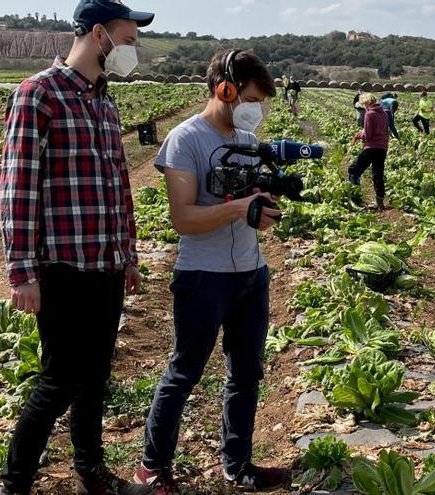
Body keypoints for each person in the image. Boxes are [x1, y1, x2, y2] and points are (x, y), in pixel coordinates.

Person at [0, 1, 153, 494]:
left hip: (105, 264)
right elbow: (18, 187)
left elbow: (117, 184)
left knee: (96, 376)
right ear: (101, 34)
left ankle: (92, 471)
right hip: (61, 264)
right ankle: (14, 481)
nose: (132, 49)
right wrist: (22, 272)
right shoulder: (39, 94)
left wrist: (127, 253)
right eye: (129, 40)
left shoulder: (105, 101)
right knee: (59, 379)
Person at [134, 49, 287, 494]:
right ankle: (152, 466)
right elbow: (183, 218)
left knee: (246, 374)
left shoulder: (244, 139)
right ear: (225, 88)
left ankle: (237, 464)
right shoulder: (186, 140)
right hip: (204, 275)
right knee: (184, 372)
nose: (255, 109)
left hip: (251, 273)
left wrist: (262, 209)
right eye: (251, 98)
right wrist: (240, 208)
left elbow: (246, 202)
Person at [348, 93, 389, 211]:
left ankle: (356, 199)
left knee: (353, 170)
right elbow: (386, 131)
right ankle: (380, 204)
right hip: (382, 148)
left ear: (366, 103)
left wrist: (357, 135)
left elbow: (368, 134)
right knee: (378, 174)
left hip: (371, 147)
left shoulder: (369, 114)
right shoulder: (384, 113)